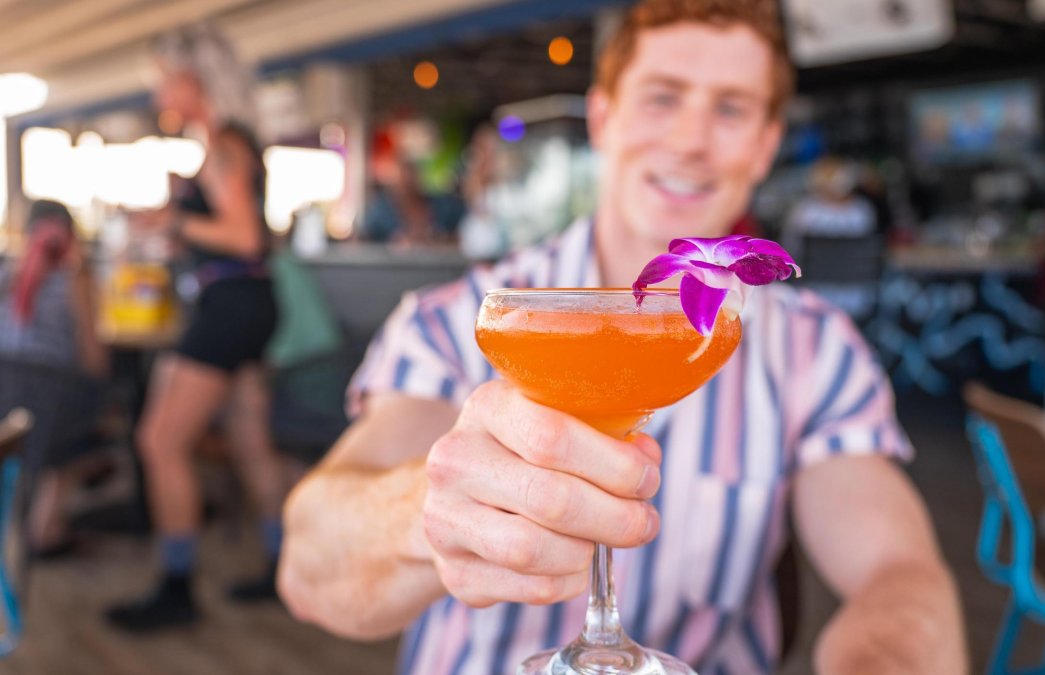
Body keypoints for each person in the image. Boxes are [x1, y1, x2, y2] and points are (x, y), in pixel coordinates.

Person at [280, 1, 966, 673]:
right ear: (604, 117)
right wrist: (422, 513)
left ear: (764, 145)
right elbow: (308, 567)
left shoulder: (814, 348)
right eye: (663, 97)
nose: (691, 140)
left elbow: (898, 573)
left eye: (730, 108)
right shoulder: (465, 318)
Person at [105, 24, 288, 631]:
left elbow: (245, 237)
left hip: (231, 306)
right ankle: (283, 569)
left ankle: (177, 586)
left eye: (164, 80)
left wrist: (176, 226)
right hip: (251, 304)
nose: (159, 93)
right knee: (250, 444)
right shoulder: (229, 143)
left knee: (159, 441)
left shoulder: (223, 144)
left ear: (192, 81)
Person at [0, 200, 108, 557]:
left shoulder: (7, 272)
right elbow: (93, 356)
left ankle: (32, 524)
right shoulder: (74, 277)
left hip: (5, 386)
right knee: (95, 430)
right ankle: (45, 529)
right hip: (52, 391)